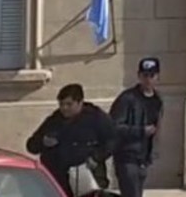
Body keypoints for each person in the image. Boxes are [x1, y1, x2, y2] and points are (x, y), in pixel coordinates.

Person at [25, 84, 115, 197]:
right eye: (61, 104)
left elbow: (112, 141)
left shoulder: (96, 118)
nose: (64, 108)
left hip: (87, 177)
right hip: (59, 179)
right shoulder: (54, 120)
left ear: (80, 102)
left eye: (69, 104)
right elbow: (31, 145)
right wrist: (43, 142)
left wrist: (96, 157)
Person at [109, 58, 164, 197]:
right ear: (139, 76)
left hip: (143, 158)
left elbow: (157, 127)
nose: (148, 79)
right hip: (126, 157)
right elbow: (114, 126)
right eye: (145, 75)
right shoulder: (127, 98)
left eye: (151, 75)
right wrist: (140, 131)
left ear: (157, 77)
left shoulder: (157, 100)